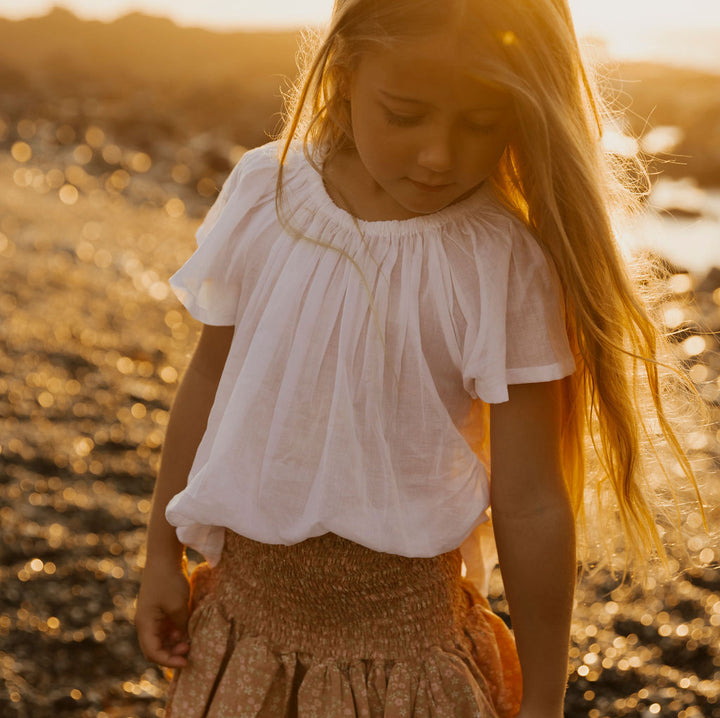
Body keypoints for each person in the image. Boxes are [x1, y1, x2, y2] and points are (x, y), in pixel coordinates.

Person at [134, 1, 701, 716]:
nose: (440, 155)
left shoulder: (502, 261)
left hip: (405, 666)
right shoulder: (266, 191)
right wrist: (161, 556)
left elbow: (530, 503)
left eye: (481, 122)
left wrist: (545, 699)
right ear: (343, 75)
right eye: (405, 115)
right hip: (242, 631)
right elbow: (212, 377)